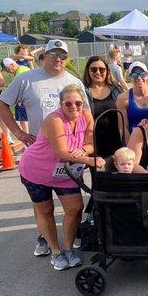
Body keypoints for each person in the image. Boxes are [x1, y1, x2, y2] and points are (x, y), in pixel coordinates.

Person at [0, 39, 88, 257]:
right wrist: (18, 133)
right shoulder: (26, 79)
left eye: (62, 56)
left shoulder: (73, 82)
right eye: (53, 54)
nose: (58, 59)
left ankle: (69, 237)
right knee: (43, 205)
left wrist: (86, 147)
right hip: (40, 153)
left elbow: (86, 116)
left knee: (73, 206)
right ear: (44, 56)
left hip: (68, 155)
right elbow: (1, 103)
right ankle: (44, 237)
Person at [18, 84, 105, 271]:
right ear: (61, 105)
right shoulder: (54, 120)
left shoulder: (87, 116)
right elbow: (62, 154)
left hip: (65, 173)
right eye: (68, 104)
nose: (74, 107)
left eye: (78, 103)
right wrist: (88, 160)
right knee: (45, 209)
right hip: (36, 171)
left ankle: (68, 248)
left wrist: (83, 149)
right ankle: (56, 252)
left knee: (75, 208)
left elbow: (91, 144)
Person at [82, 55, 124, 158]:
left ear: (107, 71)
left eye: (102, 69)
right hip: (94, 143)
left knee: (118, 173)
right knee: (98, 174)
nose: (98, 72)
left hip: (117, 141)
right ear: (88, 71)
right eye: (93, 69)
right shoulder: (83, 92)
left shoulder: (116, 89)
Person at [116, 61, 148, 143]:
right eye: (134, 75)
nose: (139, 78)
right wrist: (130, 148)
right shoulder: (123, 99)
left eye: (142, 74)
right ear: (130, 77)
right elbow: (124, 128)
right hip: (134, 141)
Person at [2, 57, 30, 135]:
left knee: (23, 120)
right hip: (26, 98)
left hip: (23, 99)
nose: (8, 72)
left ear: (11, 65)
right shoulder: (23, 68)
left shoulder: (21, 72)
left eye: (7, 69)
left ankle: (28, 140)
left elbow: (20, 87)